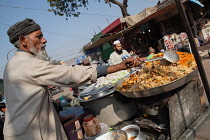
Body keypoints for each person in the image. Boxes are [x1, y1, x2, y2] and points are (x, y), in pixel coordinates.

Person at [3, 18, 142, 140]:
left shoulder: (13, 64)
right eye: (38, 37)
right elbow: (70, 74)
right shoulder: (27, 64)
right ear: (23, 41)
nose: (44, 40)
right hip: (30, 134)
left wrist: (57, 117)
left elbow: (30, 102)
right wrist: (118, 67)